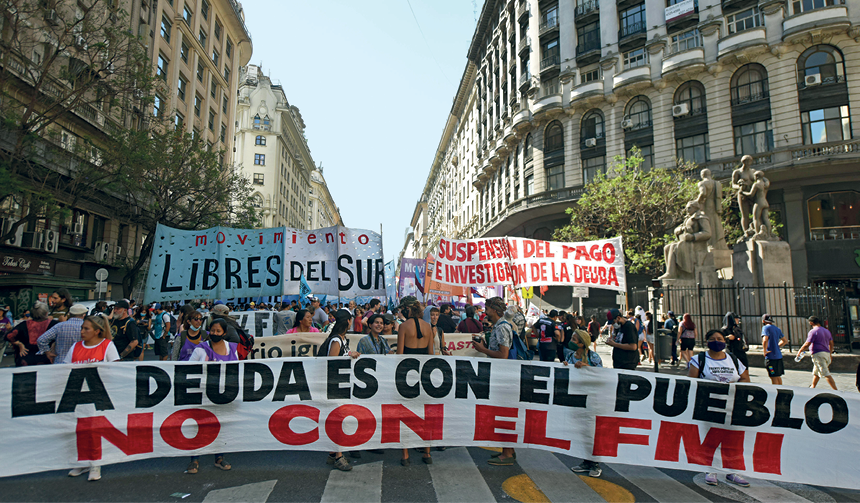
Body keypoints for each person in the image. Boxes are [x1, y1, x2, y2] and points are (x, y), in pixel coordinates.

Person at [688, 329, 750, 487]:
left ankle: (732, 471)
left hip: (731, 405)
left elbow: (745, 379)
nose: (717, 341)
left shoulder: (733, 359)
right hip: (709, 405)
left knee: (731, 439)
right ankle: (711, 469)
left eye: (720, 338)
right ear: (707, 341)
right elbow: (691, 383)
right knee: (711, 438)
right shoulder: (699, 360)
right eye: (713, 338)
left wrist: (732, 386)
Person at [64, 314, 119, 481]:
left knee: (95, 429)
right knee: (79, 429)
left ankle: (95, 462)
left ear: (97, 331)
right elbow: (65, 369)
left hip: (98, 395)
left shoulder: (107, 346)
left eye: (86, 328)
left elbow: (117, 370)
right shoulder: (75, 347)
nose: (82, 331)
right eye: (82, 328)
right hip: (77, 395)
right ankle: (81, 461)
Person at [184, 319, 234, 473]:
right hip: (202, 394)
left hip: (222, 395)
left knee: (219, 426)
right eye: (212, 331)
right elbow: (189, 370)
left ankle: (219, 458)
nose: (215, 334)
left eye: (218, 331)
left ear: (224, 333)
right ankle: (194, 459)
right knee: (198, 427)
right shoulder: (201, 349)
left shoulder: (231, 348)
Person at [473, 297, 517, 466]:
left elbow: (503, 355)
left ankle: (506, 453)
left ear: (495, 309)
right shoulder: (500, 326)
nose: (485, 311)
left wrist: (483, 350)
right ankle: (509, 451)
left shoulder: (502, 327)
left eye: (487, 308)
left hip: (504, 377)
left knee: (503, 413)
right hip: (502, 375)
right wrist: (485, 346)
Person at [396, 296, 435, 465]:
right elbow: (432, 355)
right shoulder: (428, 327)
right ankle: (427, 452)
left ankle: (405, 455)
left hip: (407, 374)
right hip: (425, 374)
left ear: (408, 309)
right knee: (425, 412)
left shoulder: (404, 327)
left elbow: (399, 355)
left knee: (404, 412)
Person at [319, 311, 360, 471]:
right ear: (348, 322)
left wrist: (350, 354)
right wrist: (349, 355)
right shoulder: (336, 340)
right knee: (338, 420)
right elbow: (332, 362)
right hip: (335, 385)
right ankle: (338, 456)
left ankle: (332, 453)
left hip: (340, 384)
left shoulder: (341, 339)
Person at [564, 330, 603, 478]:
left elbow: (601, 375)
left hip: (591, 398)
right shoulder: (570, 356)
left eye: (574, 339)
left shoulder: (593, 356)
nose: (571, 341)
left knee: (591, 431)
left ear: (581, 343)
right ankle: (586, 461)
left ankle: (595, 463)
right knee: (581, 431)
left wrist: (587, 367)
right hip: (576, 398)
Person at [6, 301, 55, 366]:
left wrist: (20, 344)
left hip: (25, 358)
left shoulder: (24, 324)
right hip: (46, 358)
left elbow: (9, 336)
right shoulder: (54, 324)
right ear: (46, 313)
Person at [796, 316, 836, 390]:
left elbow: (807, 344)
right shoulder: (826, 331)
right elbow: (831, 343)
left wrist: (800, 350)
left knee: (825, 373)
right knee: (816, 372)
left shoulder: (813, 331)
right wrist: (830, 353)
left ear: (811, 323)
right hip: (826, 353)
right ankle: (812, 387)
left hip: (818, 354)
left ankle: (836, 390)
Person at [760, 314, 788, 385]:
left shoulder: (765, 328)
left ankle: (776, 391)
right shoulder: (777, 329)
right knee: (778, 376)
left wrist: (764, 350)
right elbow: (785, 341)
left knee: (773, 376)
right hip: (778, 357)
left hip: (771, 358)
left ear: (763, 321)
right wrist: (777, 346)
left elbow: (765, 340)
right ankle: (781, 391)